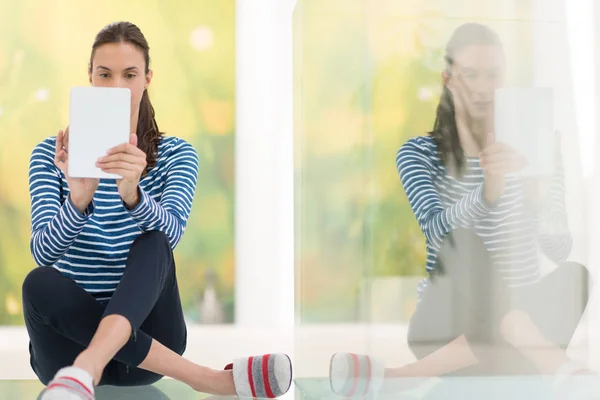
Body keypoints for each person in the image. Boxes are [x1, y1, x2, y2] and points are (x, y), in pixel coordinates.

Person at [24, 21, 292, 400]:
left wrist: (133, 195)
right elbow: (44, 251)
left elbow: (171, 238)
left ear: (147, 78)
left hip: (149, 345)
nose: (117, 86)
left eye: (129, 74)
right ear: (90, 77)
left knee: (154, 242)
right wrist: (78, 200)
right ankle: (205, 378)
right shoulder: (52, 156)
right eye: (105, 74)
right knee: (38, 281)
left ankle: (90, 367)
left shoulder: (176, 155)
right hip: (65, 350)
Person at [329, 22, 595, 398]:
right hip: (445, 326)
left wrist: (537, 199)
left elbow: (558, 249)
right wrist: (488, 191)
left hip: (508, 338)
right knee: (464, 240)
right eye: (471, 75)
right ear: (449, 79)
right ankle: (549, 360)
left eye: (493, 74)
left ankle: (407, 376)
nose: (484, 88)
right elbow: (439, 234)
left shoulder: (539, 148)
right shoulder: (419, 153)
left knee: (574, 276)